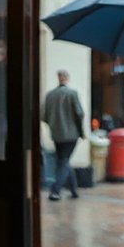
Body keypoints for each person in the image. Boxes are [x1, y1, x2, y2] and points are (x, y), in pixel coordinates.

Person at [42, 69, 85, 201]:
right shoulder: (72, 94)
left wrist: (53, 126)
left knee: (63, 159)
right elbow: (79, 113)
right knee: (64, 160)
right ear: (67, 78)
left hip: (56, 135)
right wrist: (80, 130)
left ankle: (73, 189)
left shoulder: (50, 95)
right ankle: (55, 191)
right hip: (71, 135)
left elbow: (44, 116)